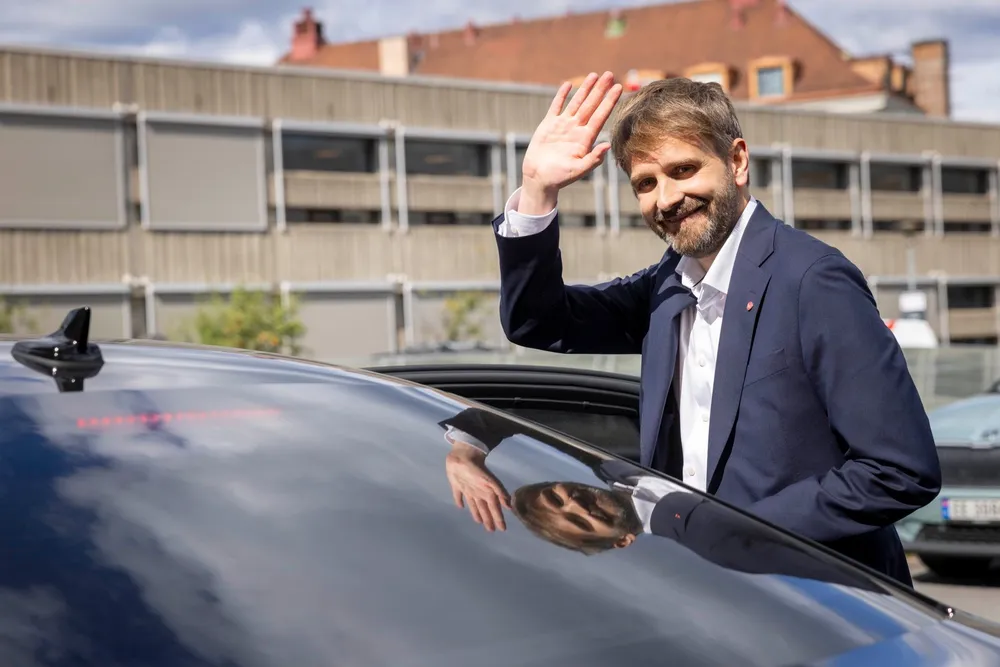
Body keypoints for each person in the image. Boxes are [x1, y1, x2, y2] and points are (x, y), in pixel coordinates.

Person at [489, 71, 941, 586]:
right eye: (646, 184)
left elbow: (899, 472)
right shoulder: (665, 286)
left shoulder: (813, 280)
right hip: (704, 601)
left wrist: (725, 532)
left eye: (683, 170)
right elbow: (537, 321)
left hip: (818, 606)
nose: (666, 199)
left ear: (737, 161)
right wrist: (538, 190)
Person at [440, 407, 887, 593]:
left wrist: (464, 454)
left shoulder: (609, 457)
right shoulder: (705, 545)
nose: (575, 504)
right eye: (578, 522)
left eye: (556, 497)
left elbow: (510, 414)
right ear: (621, 543)